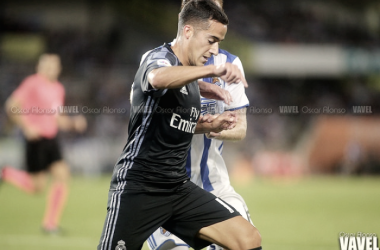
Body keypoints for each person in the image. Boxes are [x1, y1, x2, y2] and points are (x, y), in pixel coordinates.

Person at [97, 1, 262, 250]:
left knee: (247, 239)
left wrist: (209, 125)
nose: (215, 49)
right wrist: (211, 71)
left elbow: (176, 122)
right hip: (140, 187)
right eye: (211, 40)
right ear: (188, 31)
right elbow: (157, 78)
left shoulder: (192, 78)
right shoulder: (158, 58)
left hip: (177, 187)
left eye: (219, 42)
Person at [147, 1, 253, 250]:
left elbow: (241, 128)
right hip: (165, 189)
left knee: (247, 242)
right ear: (187, 12)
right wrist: (201, 125)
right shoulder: (157, 61)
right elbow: (150, 122)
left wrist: (219, 126)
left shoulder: (231, 64)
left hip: (214, 185)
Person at [1, 53, 87, 234]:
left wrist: (73, 123)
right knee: (37, 186)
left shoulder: (58, 88)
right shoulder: (32, 83)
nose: (52, 69)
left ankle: (50, 224)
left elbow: (58, 118)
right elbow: (11, 106)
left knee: (63, 175)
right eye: (49, 65)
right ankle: (5, 173)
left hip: (51, 139)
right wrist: (27, 127)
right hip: (36, 139)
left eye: (55, 66)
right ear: (40, 67)